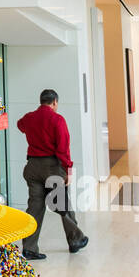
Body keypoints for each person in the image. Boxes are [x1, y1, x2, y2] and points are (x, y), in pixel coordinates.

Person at [17, 89, 88, 260]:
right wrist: (68, 169)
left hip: (33, 167)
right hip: (52, 167)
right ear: (54, 102)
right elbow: (63, 148)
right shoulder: (57, 119)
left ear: (41, 101)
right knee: (62, 204)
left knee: (35, 207)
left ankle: (29, 248)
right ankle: (75, 240)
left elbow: (20, 125)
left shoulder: (29, 117)